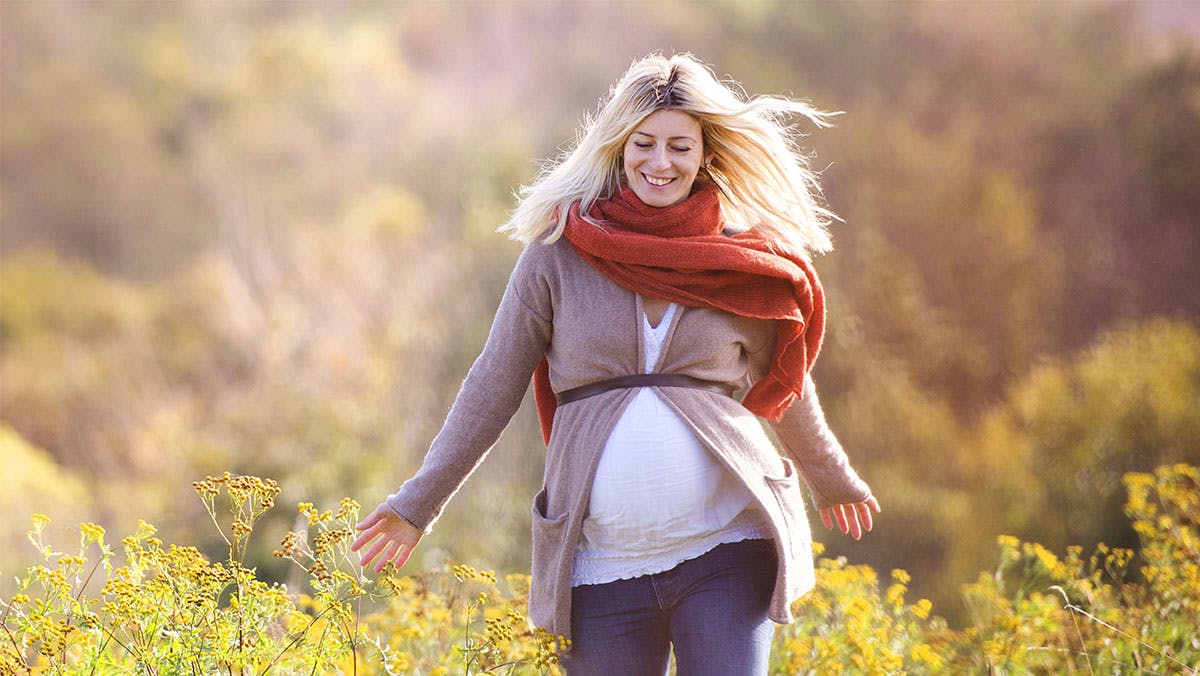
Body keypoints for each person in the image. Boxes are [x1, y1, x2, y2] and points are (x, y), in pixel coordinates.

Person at [352, 52, 880, 675]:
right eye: (644, 144)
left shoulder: (741, 258)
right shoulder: (558, 253)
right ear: (618, 147)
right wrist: (420, 502)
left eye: (679, 147)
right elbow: (492, 383)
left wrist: (832, 475)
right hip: (599, 567)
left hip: (726, 549)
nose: (661, 163)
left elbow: (789, 384)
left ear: (705, 153)